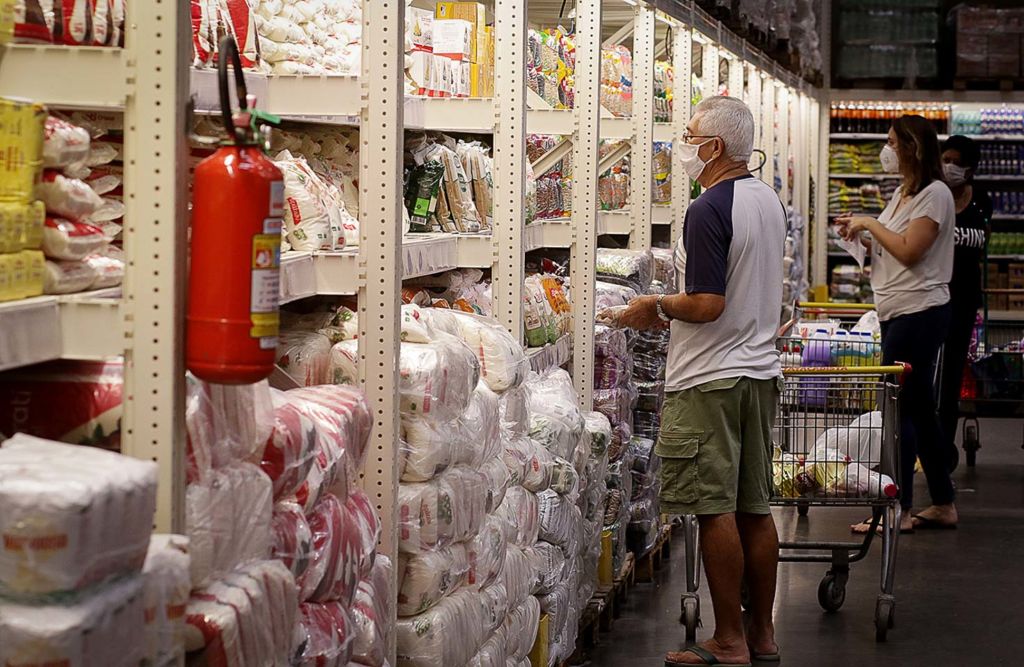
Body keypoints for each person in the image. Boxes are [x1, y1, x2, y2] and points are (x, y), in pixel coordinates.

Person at [607, 96, 785, 667]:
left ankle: (728, 640)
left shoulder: (709, 208)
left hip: (710, 378)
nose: (682, 146)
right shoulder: (767, 200)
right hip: (758, 373)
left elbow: (707, 303)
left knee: (714, 510)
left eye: (689, 137)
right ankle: (762, 635)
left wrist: (653, 305)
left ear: (713, 148)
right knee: (754, 507)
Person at [836, 114, 958, 532]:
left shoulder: (936, 194)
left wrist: (870, 222)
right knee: (921, 410)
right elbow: (893, 243)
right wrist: (863, 235)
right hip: (898, 308)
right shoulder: (906, 194)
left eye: (892, 142)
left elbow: (910, 251)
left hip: (919, 311)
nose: (886, 150)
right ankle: (943, 502)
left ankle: (897, 508)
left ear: (912, 147)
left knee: (899, 408)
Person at [937, 135, 991, 471]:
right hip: (933, 298)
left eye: (955, 161)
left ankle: (943, 448)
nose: (949, 167)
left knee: (952, 377)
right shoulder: (936, 197)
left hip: (965, 300)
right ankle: (925, 443)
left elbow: (984, 245)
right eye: (945, 159)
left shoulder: (983, 200)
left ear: (970, 168)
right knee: (928, 375)